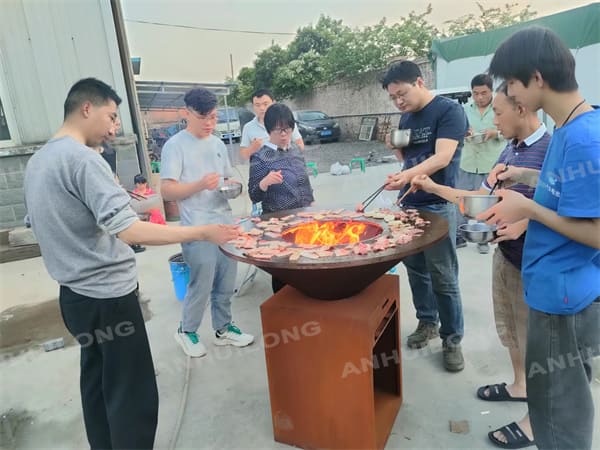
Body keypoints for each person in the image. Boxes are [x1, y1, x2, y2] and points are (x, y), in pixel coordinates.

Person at [23, 78, 239, 449]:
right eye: (110, 116)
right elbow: (130, 232)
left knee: (98, 384)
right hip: (109, 298)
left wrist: (137, 205)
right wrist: (201, 233)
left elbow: (52, 220)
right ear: (86, 108)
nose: (114, 127)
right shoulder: (83, 160)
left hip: (74, 297)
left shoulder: (40, 161)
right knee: (132, 393)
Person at [480, 26, 600, 450]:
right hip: (554, 288)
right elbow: (570, 189)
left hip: (561, 298)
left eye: (512, 83)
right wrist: (526, 175)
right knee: (562, 395)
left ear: (536, 78)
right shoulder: (571, 128)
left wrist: (528, 208)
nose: (511, 95)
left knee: (557, 410)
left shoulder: (585, 138)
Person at [411, 84, 550, 448]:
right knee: (511, 330)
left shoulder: (552, 150)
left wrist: (527, 223)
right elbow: (480, 199)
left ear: (521, 109)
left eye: (498, 113)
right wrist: (433, 186)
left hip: (538, 267)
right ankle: (519, 385)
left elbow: (569, 212)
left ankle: (538, 420)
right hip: (507, 257)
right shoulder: (510, 149)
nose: (491, 122)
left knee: (539, 346)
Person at [381, 60, 467, 372]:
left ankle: (452, 338)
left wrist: (407, 176)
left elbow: (442, 157)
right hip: (410, 204)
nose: (398, 101)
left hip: (438, 203)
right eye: (393, 98)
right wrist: (396, 154)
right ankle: (427, 322)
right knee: (417, 270)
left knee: (443, 275)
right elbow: (406, 159)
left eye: (401, 94)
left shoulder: (448, 112)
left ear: (419, 82)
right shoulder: (405, 117)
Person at [160, 87, 255, 358]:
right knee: (202, 282)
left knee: (227, 279)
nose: (209, 124)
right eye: (203, 118)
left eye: (213, 117)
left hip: (223, 221)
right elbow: (167, 191)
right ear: (186, 113)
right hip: (196, 227)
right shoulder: (175, 146)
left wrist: (234, 185)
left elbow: (227, 179)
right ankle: (186, 331)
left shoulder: (215, 144)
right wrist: (200, 184)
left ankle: (223, 329)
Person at [248, 103, 314, 292]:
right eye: (279, 130)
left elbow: (304, 181)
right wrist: (265, 182)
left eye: (287, 129)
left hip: (304, 218)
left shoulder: (295, 150)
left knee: (306, 264)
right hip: (279, 224)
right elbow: (254, 195)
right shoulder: (261, 157)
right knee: (284, 271)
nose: (284, 135)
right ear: (269, 130)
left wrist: (312, 202)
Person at [457, 74, 505, 253]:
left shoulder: (500, 108)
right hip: (467, 161)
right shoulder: (464, 110)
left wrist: (495, 133)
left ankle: (483, 237)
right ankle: (459, 235)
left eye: (483, 93)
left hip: (490, 164)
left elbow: (510, 132)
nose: (479, 97)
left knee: (486, 202)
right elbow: (458, 130)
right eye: (475, 93)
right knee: (462, 199)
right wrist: (464, 132)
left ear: (491, 91)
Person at [240, 89, 304, 160]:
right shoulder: (248, 127)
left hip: (287, 168)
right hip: (261, 169)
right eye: (257, 105)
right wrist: (252, 148)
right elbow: (244, 156)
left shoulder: (286, 122)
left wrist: (286, 147)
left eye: (265, 104)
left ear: (273, 103)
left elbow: (300, 146)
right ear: (253, 106)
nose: (262, 108)